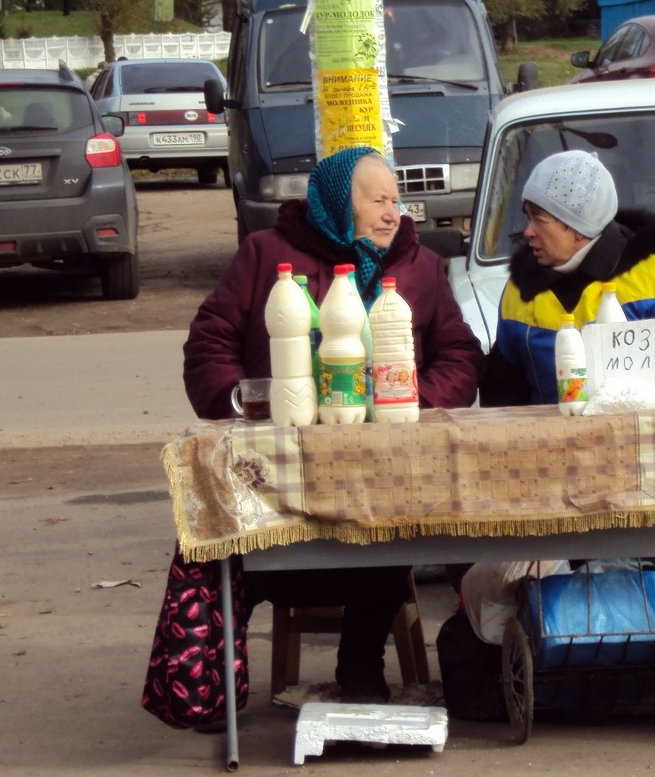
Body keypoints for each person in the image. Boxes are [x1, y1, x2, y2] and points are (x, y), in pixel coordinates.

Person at [182, 146, 484, 703]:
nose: (394, 213)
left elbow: (460, 355)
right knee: (225, 543)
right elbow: (210, 342)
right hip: (280, 469)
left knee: (388, 532)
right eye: (378, 201)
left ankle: (361, 668)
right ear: (336, 206)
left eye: (396, 200)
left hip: (381, 472)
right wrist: (243, 399)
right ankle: (217, 679)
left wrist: (411, 402)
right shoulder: (267, 254)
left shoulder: (418, 267)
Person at [478, 149, 655, 408]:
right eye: (527, 218)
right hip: (551, 443)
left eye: (539, 220)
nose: (528, 232)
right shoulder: (519, 289)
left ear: (580, 229)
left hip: (642, 440)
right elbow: (504, 391)